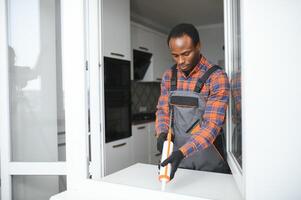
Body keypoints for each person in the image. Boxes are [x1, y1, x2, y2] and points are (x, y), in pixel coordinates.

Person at [155, 23, 230, 180]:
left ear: (198, 46)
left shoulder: (217, 77)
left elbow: (211, 126)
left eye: (186, 53)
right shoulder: (169, 76)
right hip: (177, 162)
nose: (180, 61)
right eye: (175, 55)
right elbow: (163, 111)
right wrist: (161, 133)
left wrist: (182, 152)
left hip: (210, 165)